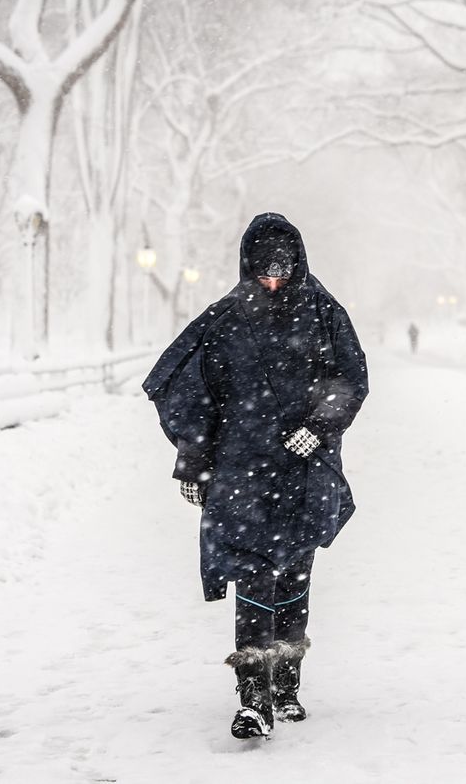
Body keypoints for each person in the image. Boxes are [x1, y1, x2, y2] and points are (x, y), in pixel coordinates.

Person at [142, 212, 369, 740]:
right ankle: (254, 697)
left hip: (303, 469)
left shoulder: (324, 314)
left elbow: (350, 377)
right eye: (263, 273)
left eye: (281, 273)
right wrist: (194, 464)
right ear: (247, 266)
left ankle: (287, 682)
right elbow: (190, 391)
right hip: (242, 470)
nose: (272, 282)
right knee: (252, 577)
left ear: (296, 265)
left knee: (293, 574)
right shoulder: (224, 319)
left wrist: (320, 425)